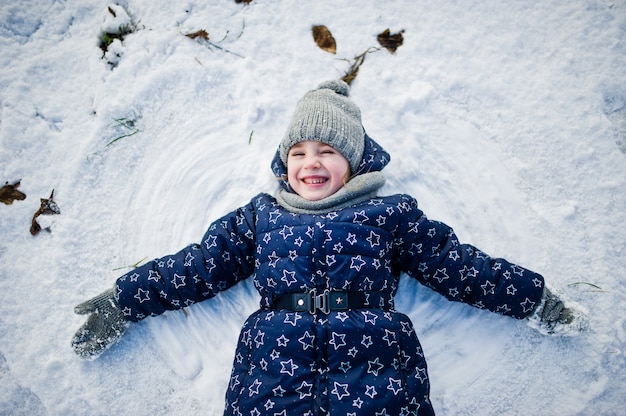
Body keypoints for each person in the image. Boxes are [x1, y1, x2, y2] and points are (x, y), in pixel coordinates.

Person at [72, 80, 587, 415]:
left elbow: (460, 266)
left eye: (328, 150)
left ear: (355, 162)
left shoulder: (388, 214)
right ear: (284, 164)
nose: (310, 163)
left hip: (374, 359)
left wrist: (533, 299)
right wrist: (122, 302)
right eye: (298, 152)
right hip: (274, 363)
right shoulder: (262, 215)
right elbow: (197, 266)